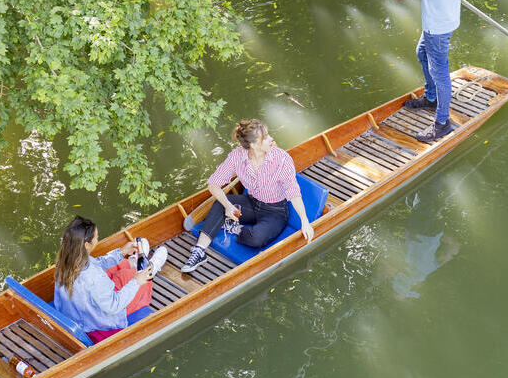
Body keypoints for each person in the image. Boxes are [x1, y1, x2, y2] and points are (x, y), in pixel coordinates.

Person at [383, 0, 486, 142]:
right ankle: (431, 98)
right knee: (421, 53)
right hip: (445, 23)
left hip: (436, 30)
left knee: (441, 75)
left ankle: (442, 123)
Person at [180, 119, 314, 274]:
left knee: (256, 239)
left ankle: (234, 227)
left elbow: (293, 191)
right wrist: (229, 206)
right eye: (265, 137)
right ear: (253, 145)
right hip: (252, 203)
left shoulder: (281, 159)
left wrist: (305, 221)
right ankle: (199, 251)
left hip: (275, 211)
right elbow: (213, 184)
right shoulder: (237, 156)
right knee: (220, 203)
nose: (271, 139)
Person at [54, 216, 168, 341]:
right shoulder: (94, 276)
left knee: (116, 269)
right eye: (96, 237)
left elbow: (97, 264)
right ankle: (151, 268)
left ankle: (135, 262)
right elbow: (114, 306)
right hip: (97, 322)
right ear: (87, 244)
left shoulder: (66, 260)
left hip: (81, 309)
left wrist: (121, 252)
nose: (98, 239)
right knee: (131, 278)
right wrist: (137, 281)